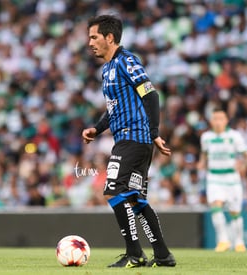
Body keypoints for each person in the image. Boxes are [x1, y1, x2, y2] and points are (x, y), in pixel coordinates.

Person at [82, 15, 176, 268]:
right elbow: (113, 108)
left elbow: (151, 94)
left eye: (94, 37)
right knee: (135, 198)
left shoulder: (127, 61)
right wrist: (98, 129)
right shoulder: (107, 69)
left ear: (109, 37)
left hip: (134, 138)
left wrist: (154, 132)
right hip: (129, 138)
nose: (89, 42)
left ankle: (134, 254)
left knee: (113, 191)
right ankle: (163, 255)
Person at [198, 108, 247, 252]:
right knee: (216, 206)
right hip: (214, 177)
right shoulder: (206, 137)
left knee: (235, 212)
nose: (218, 121)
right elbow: (204, 154)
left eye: (221, 118)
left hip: (231, 178)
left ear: (226, 120)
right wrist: (201, 163)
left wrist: (243, 165)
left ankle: (239, 242)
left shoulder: (235, 136)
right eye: (215, 118)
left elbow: (246, 156)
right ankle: (223, 240)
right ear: (211, 121)